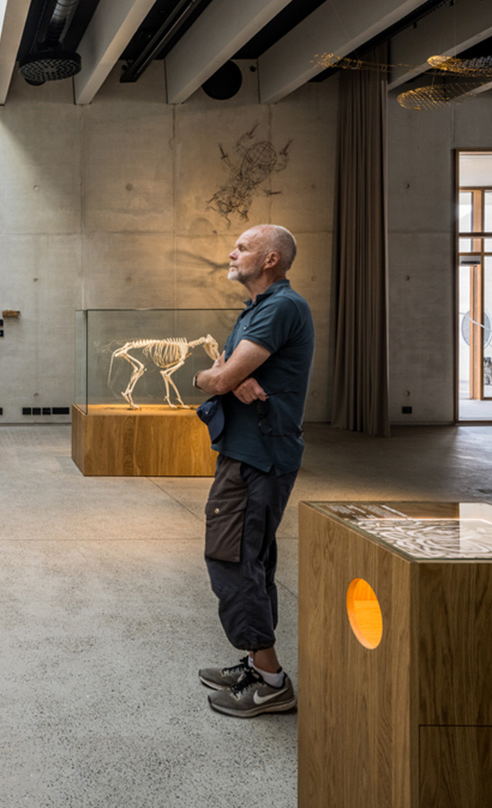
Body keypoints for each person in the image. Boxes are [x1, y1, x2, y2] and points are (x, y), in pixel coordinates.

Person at [191, 224, 314, 718]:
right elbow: (228, 373)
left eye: (242, 247)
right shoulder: (259, 311)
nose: (231, 251)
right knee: (251, 558)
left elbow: (217, 374)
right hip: (248, 453)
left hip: (258, 456)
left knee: (232, 559)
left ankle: (271, 682)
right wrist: (227, 379)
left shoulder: (282, 307)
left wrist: (216, 379)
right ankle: (255, 663)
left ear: (269, 259)